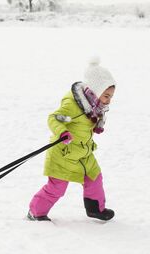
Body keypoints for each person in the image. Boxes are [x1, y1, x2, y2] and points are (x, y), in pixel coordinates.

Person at [28, 57, 116, 222]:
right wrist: (62, 132)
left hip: (83, 153)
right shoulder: (73, 106)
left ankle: (96, 209)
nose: (109, 100)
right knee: (57, 188)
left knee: (94, 177)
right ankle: (36, 212)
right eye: (106, 95)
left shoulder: (94, 107)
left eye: (111, 96)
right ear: (96, 90)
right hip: (64, 153)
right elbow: (53, 118)